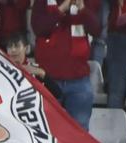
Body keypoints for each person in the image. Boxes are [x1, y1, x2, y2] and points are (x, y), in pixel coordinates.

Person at [30, 0, 100, 129]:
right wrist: (61, 9)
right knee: (48, 130)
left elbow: (96, 30)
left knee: (80, 133)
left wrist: (83, 9)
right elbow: (39, 29)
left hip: (78, 80)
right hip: (49, 80)